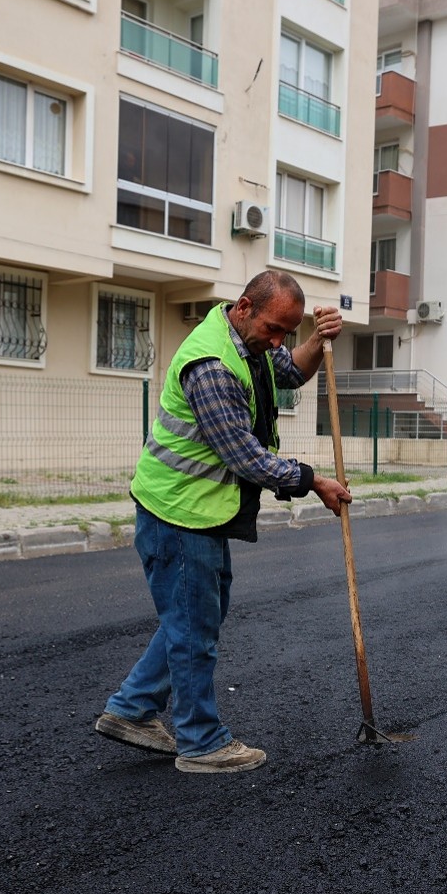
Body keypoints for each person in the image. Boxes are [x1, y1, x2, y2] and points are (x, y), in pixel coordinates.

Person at [95, 271, 352, 773]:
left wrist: (318, 342)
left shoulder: (249, 342)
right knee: (194, 628)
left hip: (195, 509)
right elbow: (246, 457)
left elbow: (290, 373)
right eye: (275, 329)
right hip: (178, 513)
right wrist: (313, 480)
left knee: (193, 618)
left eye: (287, 331)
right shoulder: (212, 364)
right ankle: (201, 742)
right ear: (243, 307)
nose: (278, 342)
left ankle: (131, 708)